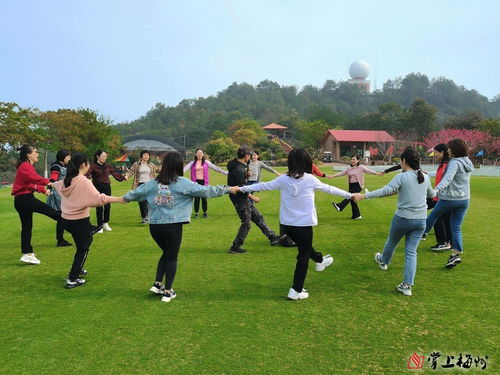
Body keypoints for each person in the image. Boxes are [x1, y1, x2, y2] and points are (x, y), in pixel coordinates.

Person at [234, 148, 352, 300]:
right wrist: (350, 195)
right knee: (303, 254)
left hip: (288, 225)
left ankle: (320, 260)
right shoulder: (310, 179)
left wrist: (240, 188)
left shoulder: (284, 179)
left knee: (305, 247)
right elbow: (330, 189)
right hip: (303, 225)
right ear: (306, 162)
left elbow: (262, 186)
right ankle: (296, 290)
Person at [122, 152, 237, 302]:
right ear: (178, 166)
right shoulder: (183, 182)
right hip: (172, 227)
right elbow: (206, 191)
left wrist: (120, 199)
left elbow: (135, 193)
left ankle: (157, 284)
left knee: (167, 253)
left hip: (155, 227)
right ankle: (168, 292)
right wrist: (227, 189)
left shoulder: (153, 182)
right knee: (172, 258)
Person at [352, 147, 436, 296]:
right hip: (420, 221)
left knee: (392, 242)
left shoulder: (402, 177)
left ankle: (383, 261)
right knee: (411, 252)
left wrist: (364, 196)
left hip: (403, 218)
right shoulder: (425, 177)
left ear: (404, 161)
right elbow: (432, 194)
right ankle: (407, 286)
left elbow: (385, 190)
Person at [54, 153, 123, 289]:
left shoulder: (69, 179)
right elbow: (98, 199)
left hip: (66, 220)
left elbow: (57, 185)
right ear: (83, 165)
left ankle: (78, 269)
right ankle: (72, 279)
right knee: (83, 247)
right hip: (79, 221)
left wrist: (50, 184)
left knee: (84, 242)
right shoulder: (83, 181)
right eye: (88, 163)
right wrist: (118, 199)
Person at [422, 138, 473, 269]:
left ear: (454, 149)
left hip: (450, 198)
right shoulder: (467, 161)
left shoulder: (454, 162)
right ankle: (455, 254)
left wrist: (436, 190)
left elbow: (448, 178)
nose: (448, 150)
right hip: (464, 200)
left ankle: (421, 235)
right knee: (456, 227)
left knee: (433, 216)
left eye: (449, 148)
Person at [227, 146, 285, 254]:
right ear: (247, 156)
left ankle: (272, 237)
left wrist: (246, 174)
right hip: (239, 198)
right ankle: (235, 247)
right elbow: (240, 188)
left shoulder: (236, 165)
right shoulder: (239, 169)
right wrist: (253, 197)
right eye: (249, 155)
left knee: (257, 216)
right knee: (246, 222)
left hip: (240, 197)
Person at [12, 145, 61, 265]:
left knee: (27, 228)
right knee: (56, 214)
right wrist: (49, 182)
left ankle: (27, 254)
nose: (37, 153)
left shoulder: (25, 166)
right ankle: (84, 230)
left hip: (22, 200)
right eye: (35, 151)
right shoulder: (25, 166)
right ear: (28, 154)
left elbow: (30, 183)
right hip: (25, 199)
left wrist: (44, 190)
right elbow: (35, 179)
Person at [85, 150, 127, 232]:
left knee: (107, 206)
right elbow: (87, 174)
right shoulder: (93, 166)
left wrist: (123, 178)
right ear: (98, 156)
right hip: (97, 187)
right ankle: (100, 225)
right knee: (99, 206)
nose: (105, 158)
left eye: (105, 156)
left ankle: (105, 223)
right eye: (103, 156)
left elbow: (114, 173)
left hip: (107, 187)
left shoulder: (107, 165)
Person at [331, 155, 382, 219]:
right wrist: (333, 175)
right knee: (353, 200)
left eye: (354, 159)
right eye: (352, 159)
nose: (352, 161)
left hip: (358, 185)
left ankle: (340, 206)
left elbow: (368, 171)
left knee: (349, 196)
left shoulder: (361, 167)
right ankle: (357, 215)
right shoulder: (349, 168)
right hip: (351, 185)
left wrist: (376, 173)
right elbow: (342, 173)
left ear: (358, 160)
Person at [183, 148, 228, 218]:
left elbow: (215, 168)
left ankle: (205, 212)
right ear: (196, 154)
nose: (199, 154)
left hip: (204, 182)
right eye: (198, 153)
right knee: (197, 197)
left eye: (201, 153)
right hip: (195, 182)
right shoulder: (192, 163)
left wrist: (225, 172)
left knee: (204, 197)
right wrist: (177, 174)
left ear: (203, 154)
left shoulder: (206, 162)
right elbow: (185, 169)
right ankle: (196, 213)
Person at [424, 144, 452, 251]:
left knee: (438, 219)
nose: (434, 154)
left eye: (436, 152)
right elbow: (438, 175)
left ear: (442, 152)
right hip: (441, 197)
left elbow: (447, 181)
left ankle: (443, 242)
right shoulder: (443, 165)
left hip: (443, 198)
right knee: (445, 219)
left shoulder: (447, 165)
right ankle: (448, 242)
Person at [125, 150, 160, 223]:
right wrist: (127, 176)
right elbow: (131, 171)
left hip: (149, 184)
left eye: (147, 155)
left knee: (148, 201)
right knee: (141, 201)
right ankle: (145, 217)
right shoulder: (136, 164)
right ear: (141, 156)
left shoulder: (151, 165)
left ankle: (149, 216)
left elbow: (158, 170)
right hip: (140, 184)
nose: (146, 156)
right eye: (145, 155)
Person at [46, 149, 72, 247]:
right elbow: (52, 179)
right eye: (68, 157)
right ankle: (60, 240)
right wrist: (48, 189)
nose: (70, 158)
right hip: (57, 195)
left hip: (62, 193)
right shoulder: (56, 167)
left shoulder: (64, 166)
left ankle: (61, 239)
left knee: (63, 216)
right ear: (63, 157)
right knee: (62, 216)